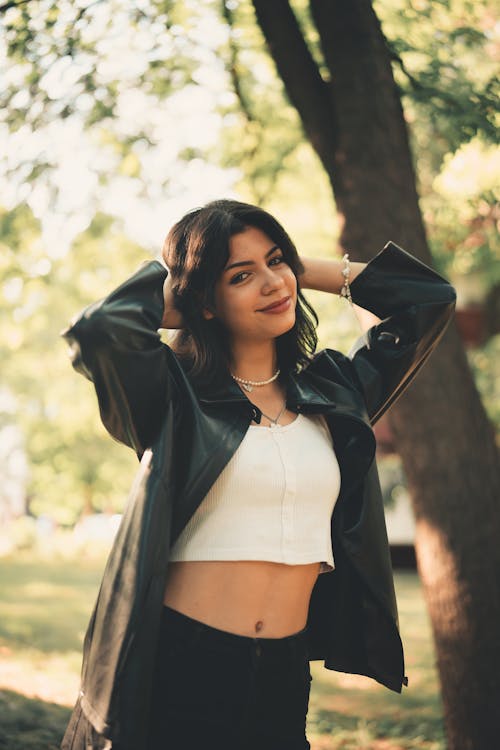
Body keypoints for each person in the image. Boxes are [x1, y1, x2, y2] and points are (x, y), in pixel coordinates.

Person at [60, 199, 456, 750]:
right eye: (241, 275)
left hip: (284, 670)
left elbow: (427, 299)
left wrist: (296, 266)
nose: (272, 284)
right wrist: (187, 296)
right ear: (202, 299)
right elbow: (103, 327)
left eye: (276, 262)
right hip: (182, 664)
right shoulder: (173, 399)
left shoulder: (337, 391)